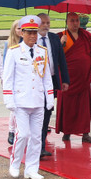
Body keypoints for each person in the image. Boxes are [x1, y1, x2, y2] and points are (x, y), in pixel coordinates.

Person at [2, 15, 53, 179]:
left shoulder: (42, 51)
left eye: (34, 33)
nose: (32, 36)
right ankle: (15, 163)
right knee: (23, 135)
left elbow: (46, 77)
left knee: (37, 137)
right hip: (21, 101)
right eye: (29, 33)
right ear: (22, 33)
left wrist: (49, 98)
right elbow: (8, 77)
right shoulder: (14, 52)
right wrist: (9, 99)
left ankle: (31, 169)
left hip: (37, 100)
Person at [56, 12, 91, 143]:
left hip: (84, 78)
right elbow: (56, 57)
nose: (75, 23)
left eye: (77, 21)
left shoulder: (85, 35)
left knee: (84, 106)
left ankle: (85, 133)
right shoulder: (61, 37)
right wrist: (60, 44)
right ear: (67, 22)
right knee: (68, 106)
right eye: (72, 21)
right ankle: (66, 132)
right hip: (67, 79)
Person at [37, 13, 70, 158]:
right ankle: (35, 146)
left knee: (46, 113)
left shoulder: (54, 38)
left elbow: (61, 60)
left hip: (50, 82)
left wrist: (65, 80)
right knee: (38, 115)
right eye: (43, 23)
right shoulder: (30, 39)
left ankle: (41, 146)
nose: (46, 26)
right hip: (35, 84)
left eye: (48, 23)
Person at [3, 19, 22, 145]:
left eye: (22, 28)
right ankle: (11, 130)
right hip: (14, 80)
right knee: (14, 108)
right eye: (18, 28)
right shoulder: (9, 44)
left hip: (23, 79)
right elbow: (6, 65)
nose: (20, 31)